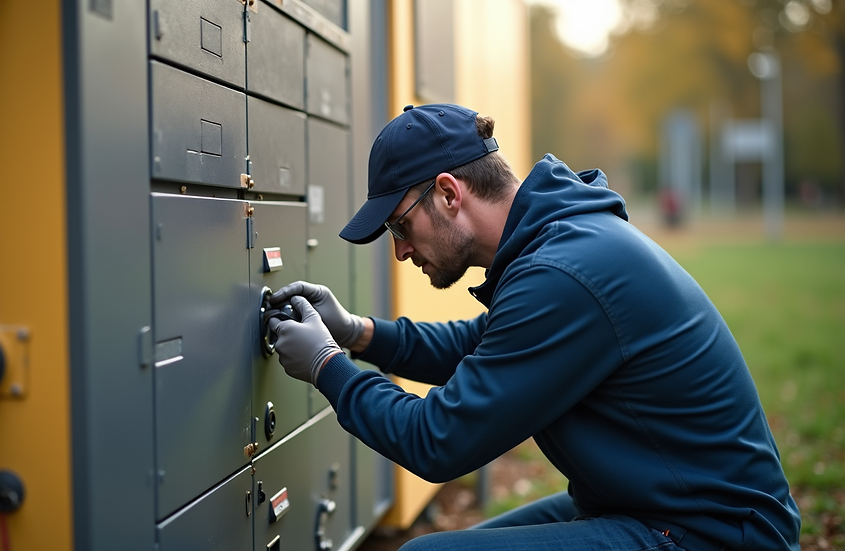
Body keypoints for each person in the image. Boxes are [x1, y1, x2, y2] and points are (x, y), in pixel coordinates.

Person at [267, 104, 800, 551]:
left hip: (714, 533)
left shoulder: (562, 273)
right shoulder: (557, 241)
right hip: (657, 503)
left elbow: (437, 442)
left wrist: (325, 367)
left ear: (450, 194)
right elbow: (480, 346)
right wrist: (357, 332)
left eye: (400, 225)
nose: (402, 250)